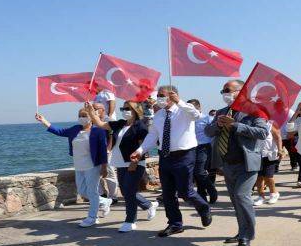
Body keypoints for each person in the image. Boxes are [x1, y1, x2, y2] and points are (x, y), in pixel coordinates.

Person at [130, 85, 212, 237]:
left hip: (184, 155)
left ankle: (203, 207)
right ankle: (175, 224)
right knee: (167, 193)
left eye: (162, 95)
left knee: (185, 191)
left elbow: (196, 115)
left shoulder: (185, 110)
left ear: (172, 95)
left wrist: (179, 101)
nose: (159, 98)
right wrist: (140, 150)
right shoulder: (159, 115)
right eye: (158, 95)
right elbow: (153, 135)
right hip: (165, 155)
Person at [205, 79, 268, 246]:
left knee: (241, 197)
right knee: (236, 201)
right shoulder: (221, 112)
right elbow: (208, 132)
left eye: (228, 90)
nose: (225, 93)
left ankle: (246, 237)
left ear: (241, 92)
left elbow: (263, 133)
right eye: (223, 90)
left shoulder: (254, 111)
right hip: (227, 164)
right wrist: (218, 124)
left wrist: (235, 125)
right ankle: (242, 231)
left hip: (246, 164)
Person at [85, 101, 159, 232]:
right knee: (126, 192)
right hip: (120, 163)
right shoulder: (120, 123)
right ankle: (149, 205)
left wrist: (134, 163)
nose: (124, 110)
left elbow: (143, 147)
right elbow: (100, 124)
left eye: (127, 108)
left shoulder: (140, 126)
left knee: (129, 191)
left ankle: (130, 220)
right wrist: (91, 111)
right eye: (122, 108)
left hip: (134, 163)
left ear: (135, 110)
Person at [35, 109, 110, 227]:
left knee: (92, 191)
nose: (82, 118)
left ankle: (92, 217)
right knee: (82, 191)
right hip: (79, 165)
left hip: (93, 166)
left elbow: (103, 151)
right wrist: (44, 121)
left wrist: (104, 167)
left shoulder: (98, 131)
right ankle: (105, 201)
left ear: (91, 116)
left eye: (84, 115)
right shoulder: (75, 129)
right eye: (80, 116)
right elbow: (59, 131)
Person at [187, 99, 218, 204]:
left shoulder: (208, 118)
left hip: (204, 147)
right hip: (190, 148)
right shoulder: (187, 119)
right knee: (195, 173)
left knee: (199, 171)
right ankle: (202, 196)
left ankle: (211, 190)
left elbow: (215, 133)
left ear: (198, 108)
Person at [91, 102, 119, 204]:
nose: (94, 110)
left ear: (103, 110)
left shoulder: (109, 120)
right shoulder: (91, 121)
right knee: (95, 174)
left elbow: (113, 136)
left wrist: (108, 150)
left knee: (109, 173)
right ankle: (102, 194)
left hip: (108, 151)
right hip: (94, 152)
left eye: (96, 109)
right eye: (92, 109)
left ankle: (113, 196)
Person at [253, 120, 283, 206]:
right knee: (259, 177)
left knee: (268, 176)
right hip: (257, 154)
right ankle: (261, 196)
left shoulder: (271, 124)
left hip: (269, 155)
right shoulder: (254, 124)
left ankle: (274, 193)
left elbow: (277, 137)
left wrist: (280, 150)